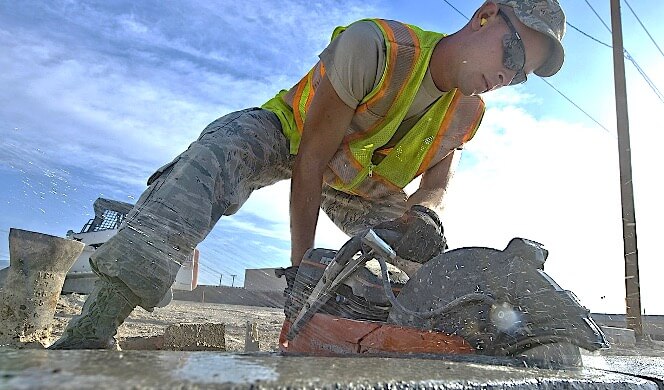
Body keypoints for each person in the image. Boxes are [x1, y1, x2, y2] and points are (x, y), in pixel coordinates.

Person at [50, 0, 566, 349]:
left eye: (520, 75)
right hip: (292, 139)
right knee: (217, 155)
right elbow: (311, 161)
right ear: (485, 15)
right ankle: (96, 323)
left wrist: (427, 215)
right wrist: (300, 274)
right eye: (513, 52)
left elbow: (435, 184)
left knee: (424, 249)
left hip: (360, 184)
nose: (507, 75)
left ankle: (417, 334)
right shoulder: (379, 47)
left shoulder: (467, 112)